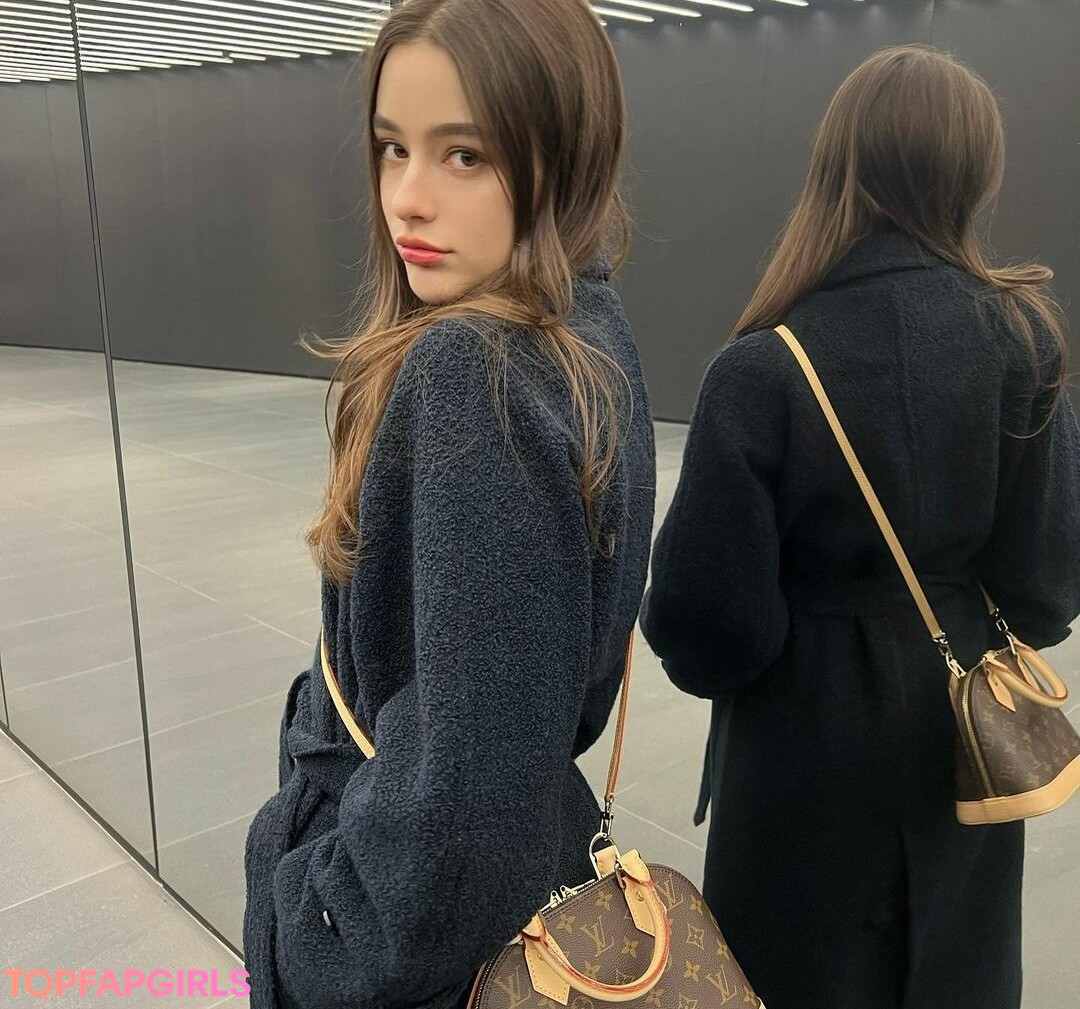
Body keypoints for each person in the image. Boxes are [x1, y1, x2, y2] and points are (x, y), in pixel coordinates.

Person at [641, 44, 1080, 1009]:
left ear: (835, 165)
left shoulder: (762, 366)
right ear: (976, 172)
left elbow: (705, 630)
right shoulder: (1025, 343)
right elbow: (1048, 591)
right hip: (963, 737)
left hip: (800, 746)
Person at [242, 1, 655, 1006]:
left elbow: (464, 817)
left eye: (465, 155)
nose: (408, 199)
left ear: (563, 151)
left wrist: (309, 921)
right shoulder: (590, 332)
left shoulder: (475, 367)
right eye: (393, 148)